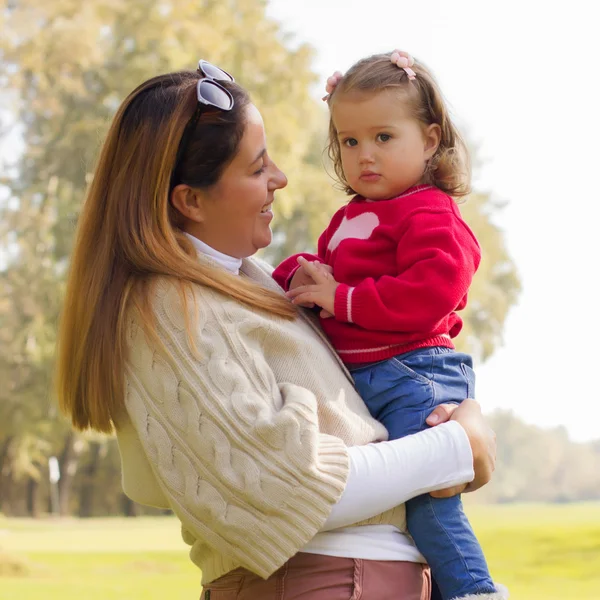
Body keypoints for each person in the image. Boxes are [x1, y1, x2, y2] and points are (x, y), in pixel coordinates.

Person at [55, 59, 497, 600]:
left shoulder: (247, 283)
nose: (281, 179)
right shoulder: (169, 307)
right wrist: (457, 445)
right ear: (190, 200)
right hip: (323, 582)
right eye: (257, 167)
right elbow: (290, 488)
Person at [273, 51, 506, 600]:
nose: (364, 156)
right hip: (367, 377)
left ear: (428, 141)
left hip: (415, 372)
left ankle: (474, 591)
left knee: (427, 496)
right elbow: (326, 270)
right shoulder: (351, 214)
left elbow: (433, 291)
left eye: (383, 137)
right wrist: (295, 275)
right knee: (390, 498)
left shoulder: (429, 211)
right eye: (349, 142)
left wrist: (342, 299)